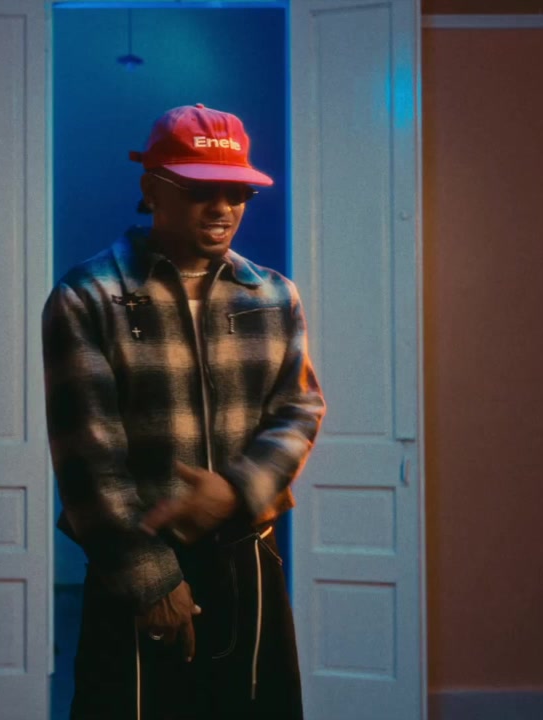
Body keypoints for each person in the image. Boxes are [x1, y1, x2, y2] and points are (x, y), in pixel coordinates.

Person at [42, 103, 326, 719]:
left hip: (248, 562)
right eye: (201, 190)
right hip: (136, 566)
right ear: (152, 191)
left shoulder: (273, 294)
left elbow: (300, 408)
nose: (223, 207)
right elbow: (88, 458)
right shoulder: (89, 296)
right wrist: (152, 580)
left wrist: (237, 489)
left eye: (237, 192)